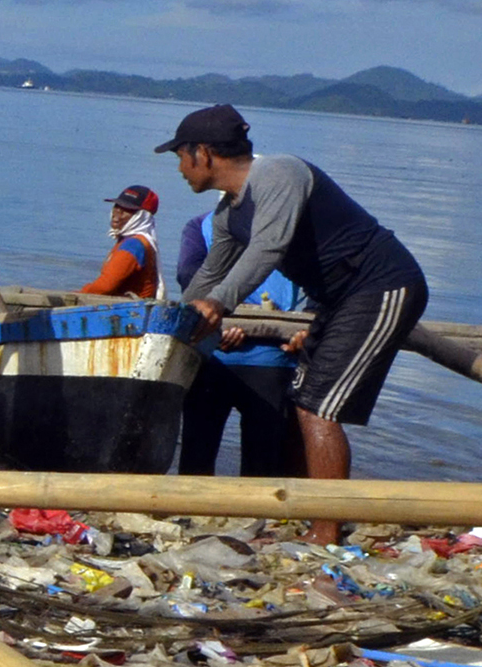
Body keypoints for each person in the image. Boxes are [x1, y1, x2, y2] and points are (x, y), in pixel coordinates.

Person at [166, 103, 429, 540]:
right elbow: (209, 275)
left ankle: (325, 531)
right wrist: (172, 324)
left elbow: (268, 248)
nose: (179, 168)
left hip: (381, 286)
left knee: (319, 407)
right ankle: (299, 511)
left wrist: (219, 305)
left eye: (180, 156)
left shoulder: (279, 173)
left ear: (204, 153)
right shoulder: (228, 215)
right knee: (304, 397)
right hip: (335, 300)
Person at [173, 211, 298, 477]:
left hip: (212, 352)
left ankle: (190, 511)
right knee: (262, 459)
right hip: (272, 354)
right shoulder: (287, 223)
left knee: (198, 451)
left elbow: (189, 279)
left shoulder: (200, 225)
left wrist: (221, 324)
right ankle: (260, 514)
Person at [78, 183, 161, 296]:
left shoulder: (133, 245)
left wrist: (78, 294)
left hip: (133, 311)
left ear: (141, 217)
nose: (117, 212)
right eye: (117, 206)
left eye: (127, 209)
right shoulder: (130, 240)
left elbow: (105, 286)